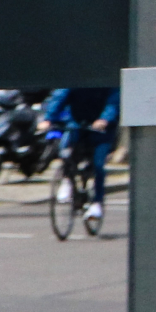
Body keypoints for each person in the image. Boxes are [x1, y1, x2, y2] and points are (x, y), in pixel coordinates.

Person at [42, 87, 119, 224]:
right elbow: (60, 95)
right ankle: (67, 179)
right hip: (77, 123)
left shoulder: (108, 80)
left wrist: (104, 119)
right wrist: (49, 118)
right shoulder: (76, 77)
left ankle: (97, 203)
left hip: (102, 131)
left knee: (98, 165)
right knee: (66, 150)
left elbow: (113, 102)